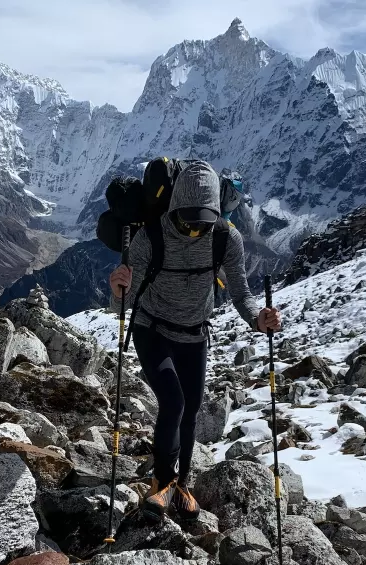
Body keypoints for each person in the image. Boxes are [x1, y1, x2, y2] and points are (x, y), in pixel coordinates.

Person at [109, 161, 282, 523]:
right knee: (173, 401)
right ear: (173, 209)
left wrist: (258, 319)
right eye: (187, 221)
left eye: (203, 222)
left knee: (192, 409)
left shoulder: (225, 237)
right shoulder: (151, 237)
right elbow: (124, 300)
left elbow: (241, 292)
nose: (194, 230)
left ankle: (182, 484)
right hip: (151, 327)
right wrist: (117, 289)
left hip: (193, 334)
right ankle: (161, 480)